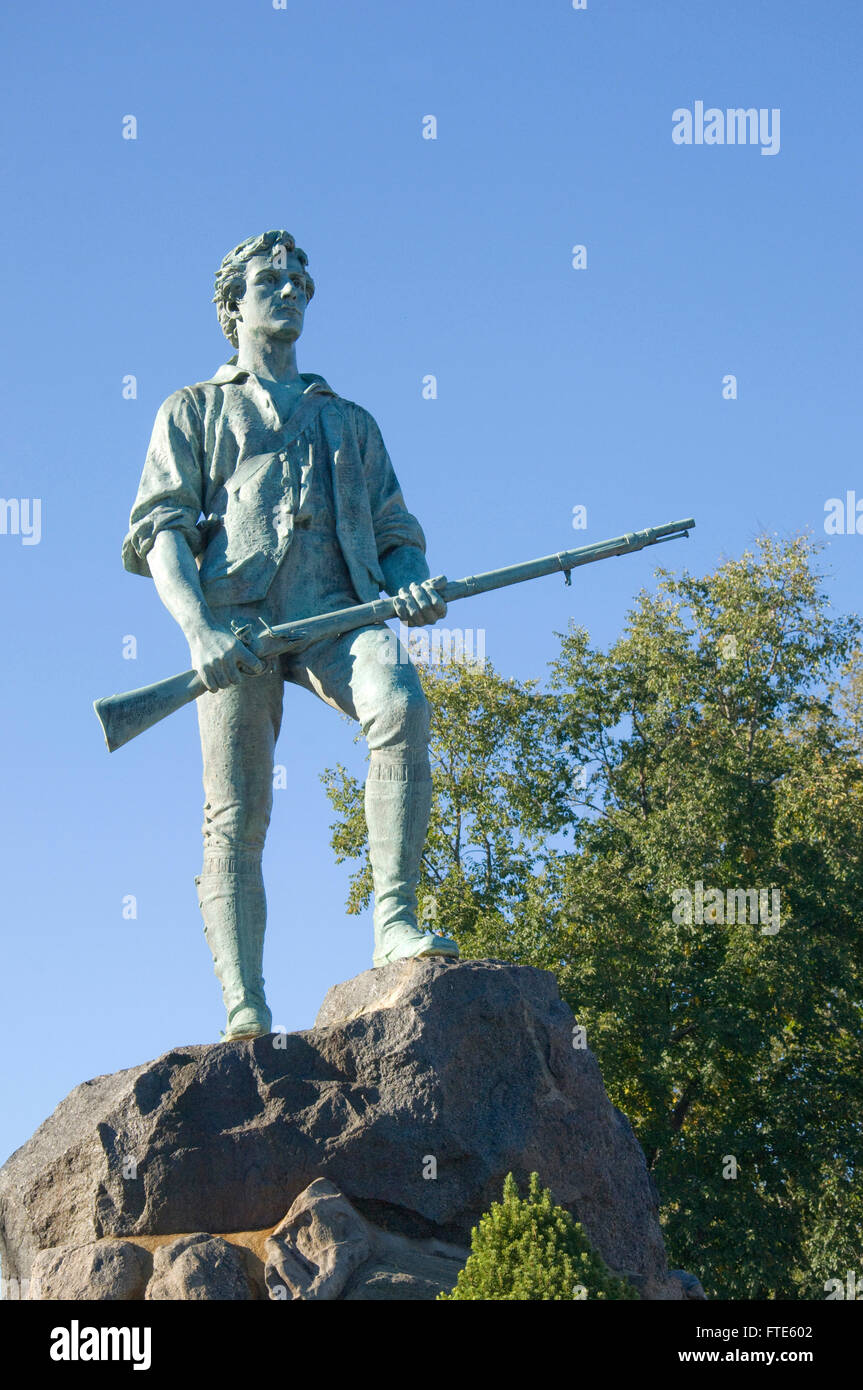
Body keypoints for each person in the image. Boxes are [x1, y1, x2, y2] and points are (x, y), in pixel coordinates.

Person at [122, 229, 459, 1041]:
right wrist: (198, 628)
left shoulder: (349, 419)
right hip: (236, 625)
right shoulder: (193, 409)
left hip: (339, 612)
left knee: (401, 701)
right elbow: (159, 531)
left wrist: (410, 574)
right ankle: (245, 1003)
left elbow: (393, 528)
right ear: (231, 304)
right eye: (270, 279)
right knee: (236, 813)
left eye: (300, 279)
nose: (290, 289)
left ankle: (394, 925)